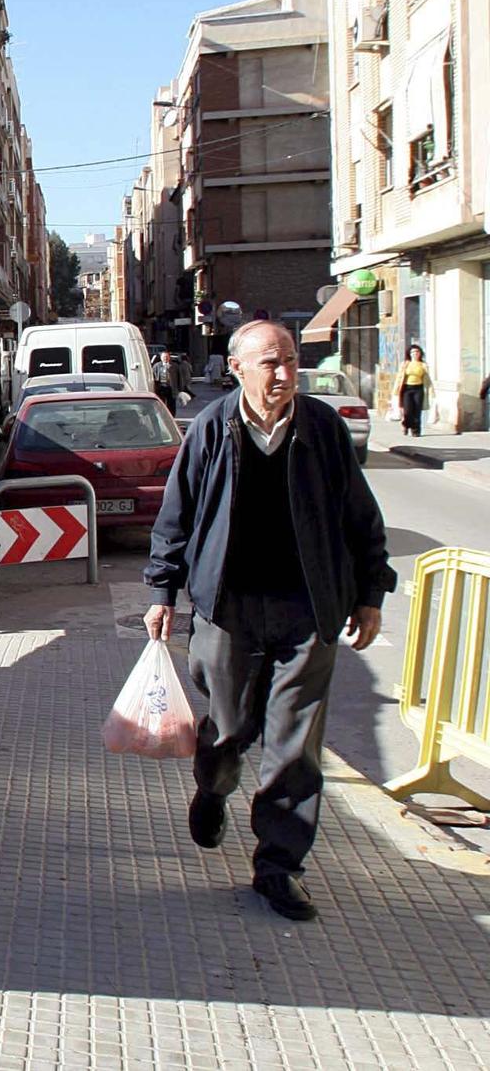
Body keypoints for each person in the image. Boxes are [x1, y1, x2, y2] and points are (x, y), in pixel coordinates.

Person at [143, 320, 393, 922]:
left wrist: (369, 592)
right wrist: (162, 591)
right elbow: (176, 516)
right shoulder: (211, 429)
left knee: (296, 745)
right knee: (227, 728)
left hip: (309, 609)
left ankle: (279, 866)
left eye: (289, 361)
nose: (283, 375)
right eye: (269, 364)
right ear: (238, 368)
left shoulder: (324, 430)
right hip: (228, 609)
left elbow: (361, 517)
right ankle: (214, 786)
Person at [395, 343, 430, 438]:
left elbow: (427, 379)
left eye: (417, 352)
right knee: (408, 411)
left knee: (417, 411)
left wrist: (430, 391)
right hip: (407, 389)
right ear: (409, 354)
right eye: (413, 352)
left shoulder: (423, 365)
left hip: (418, 388)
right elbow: (399, 377)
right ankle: (406, 425)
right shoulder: (405, 364)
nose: (415, 354)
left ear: (420, 353)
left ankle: (416, 430)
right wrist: (396, 390)